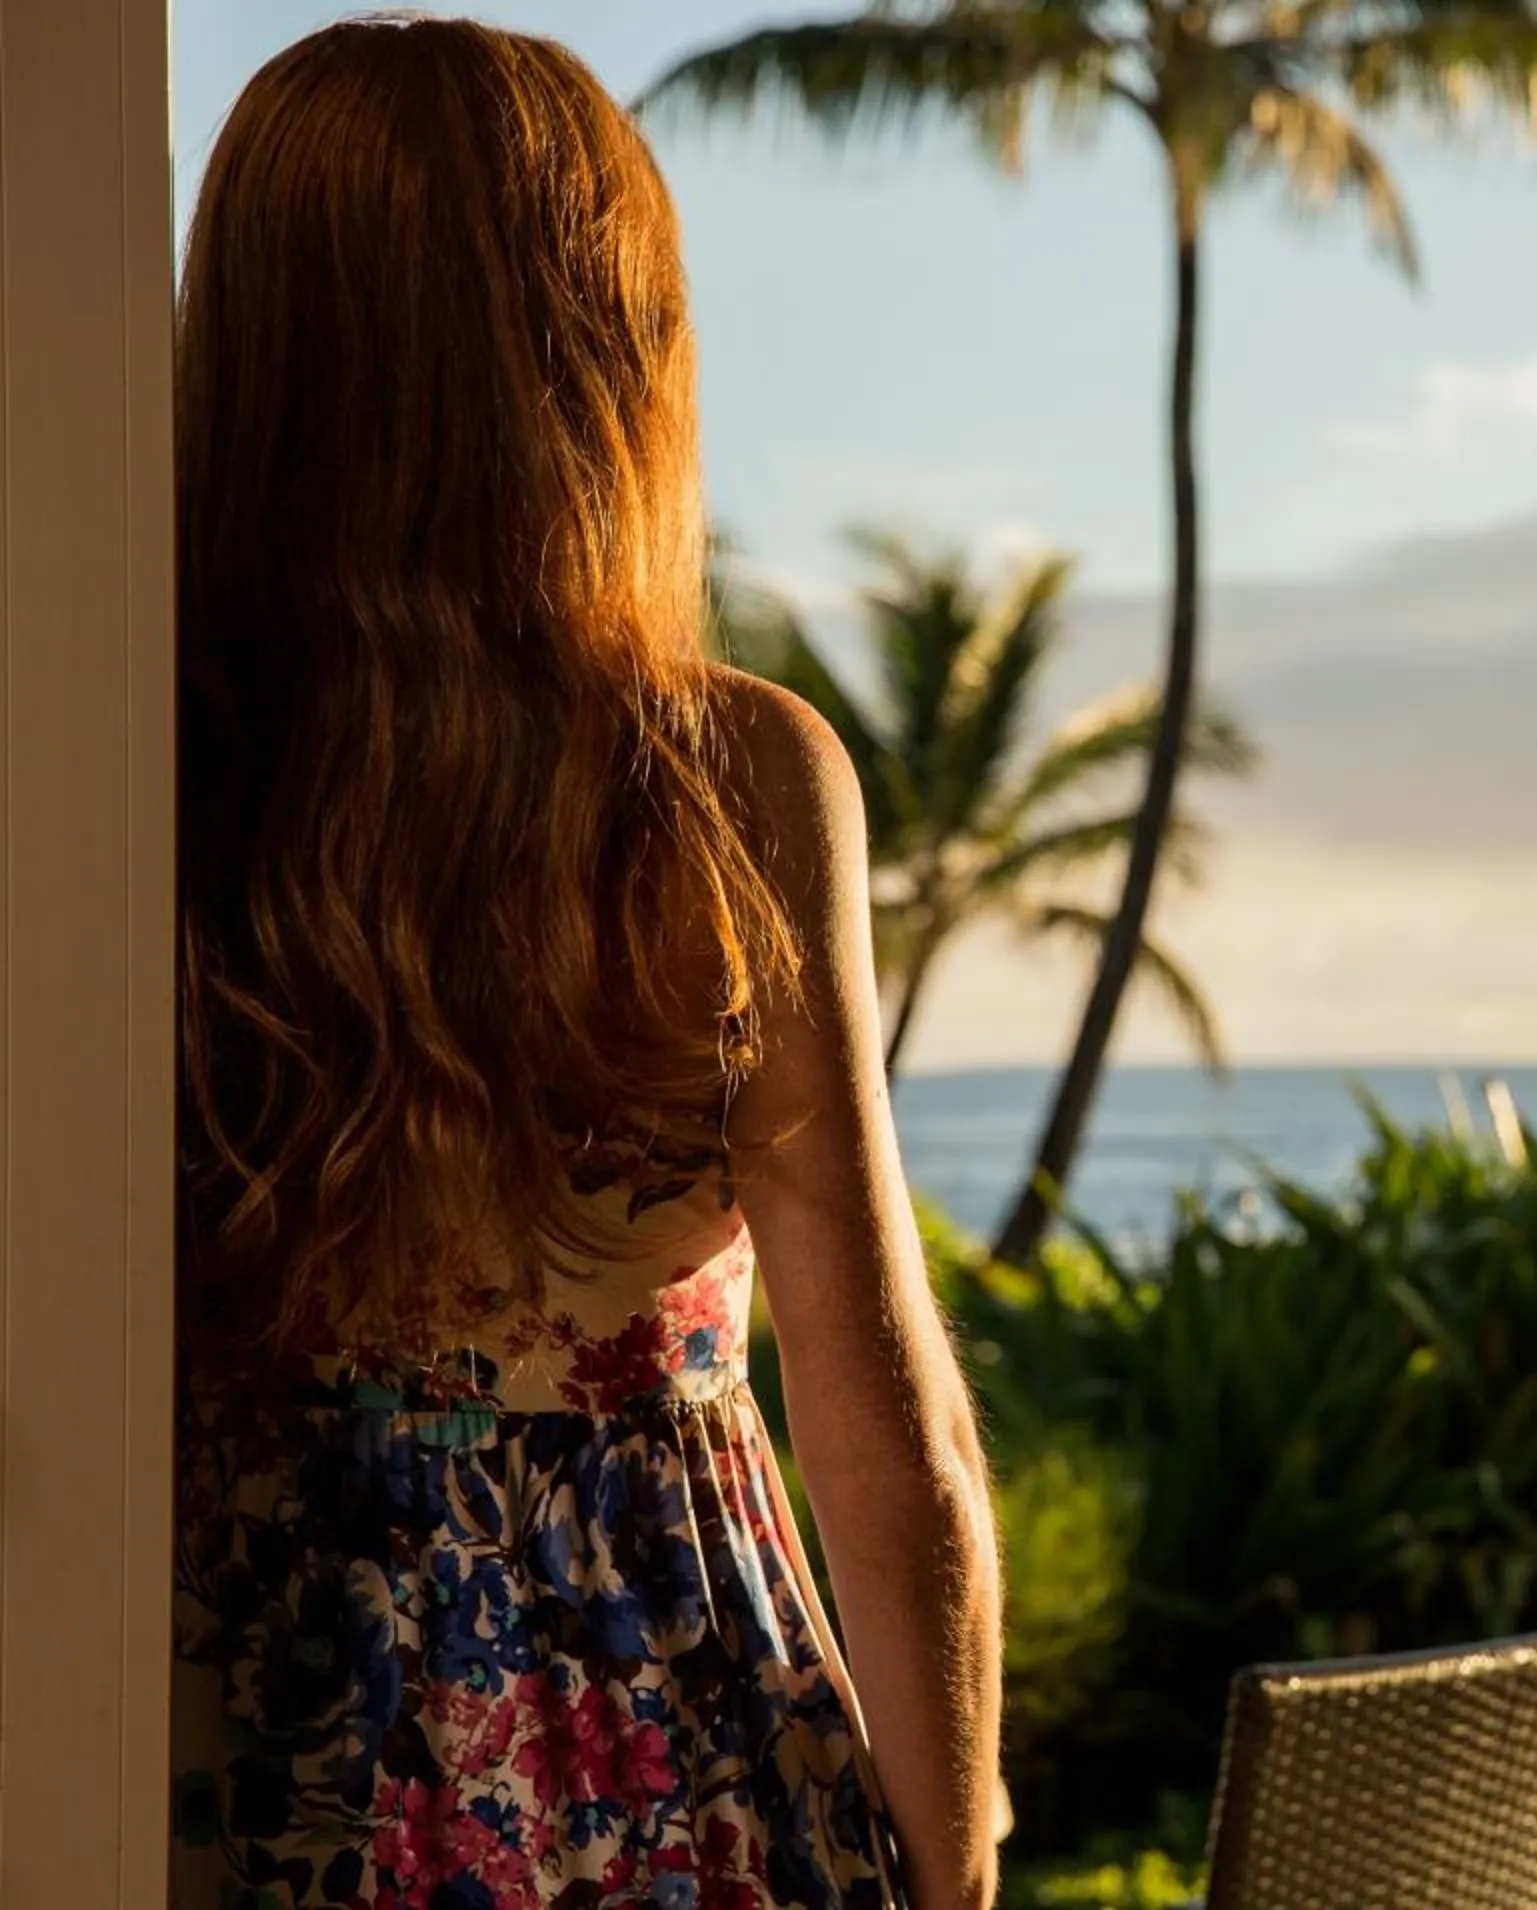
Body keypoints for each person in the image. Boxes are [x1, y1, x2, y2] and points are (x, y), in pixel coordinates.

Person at [169, 17, 1005, 1908]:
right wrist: (956, 1866)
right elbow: (885, 1421)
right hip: (674, 1746)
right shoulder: (728, 777)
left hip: (246, 1730)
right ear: (607, 346)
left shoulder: (142, 770)